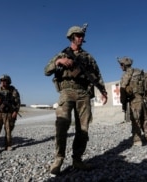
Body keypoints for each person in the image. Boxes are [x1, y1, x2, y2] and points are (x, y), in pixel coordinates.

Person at [44, 24, 108, 175]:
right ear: (71, 37)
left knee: (83, 129)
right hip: (66, 92)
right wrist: (58, 62)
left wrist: (103, 92)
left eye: (82, 36)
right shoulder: (62, 54)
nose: (81, 38)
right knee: (62, 125)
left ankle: (77, 160)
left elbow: (97, 75)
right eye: (78, 36)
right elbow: (46, 70)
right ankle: (59, 159)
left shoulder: (88, 57)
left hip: (83, 93)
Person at [118, 57, 147, 146]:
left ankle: (137, 139)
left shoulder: (126, 74)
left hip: (134, 100)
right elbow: (146, 87)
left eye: (121, 65)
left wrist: (123, 102)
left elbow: (123, 89)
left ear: (124, 65)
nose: (120, 67)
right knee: (144, 118)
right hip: (142, 99)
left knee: (135, 120)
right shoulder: (140, 73)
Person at [0, 74, 21, 154]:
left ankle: (8, 145)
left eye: (5, 81)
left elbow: (17, 102)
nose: (3, 82)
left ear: (8, 82)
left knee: (8, 130)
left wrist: (15, 112)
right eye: (1, 81)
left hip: (9, 113)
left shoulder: (13, 90)